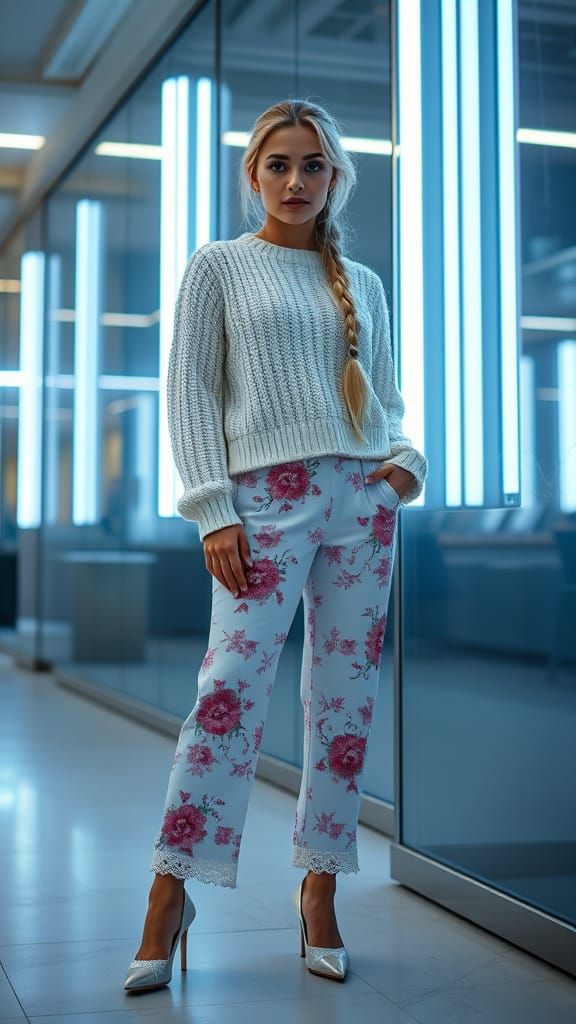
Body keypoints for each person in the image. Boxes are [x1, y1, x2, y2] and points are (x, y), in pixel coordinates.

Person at [123, 96, 428, 993]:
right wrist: (213, 508)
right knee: (228, 692)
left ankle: (320, 888)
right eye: (279, 166)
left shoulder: (362, 283)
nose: (296, 182)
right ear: (253, 174)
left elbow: (386, 397)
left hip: (363, 503)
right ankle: (168, 892)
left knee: (344, 706)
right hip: (263, 503)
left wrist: (406, 463)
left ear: (337, 177)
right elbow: (188, 393)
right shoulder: (217, 267)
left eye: (314, 167)